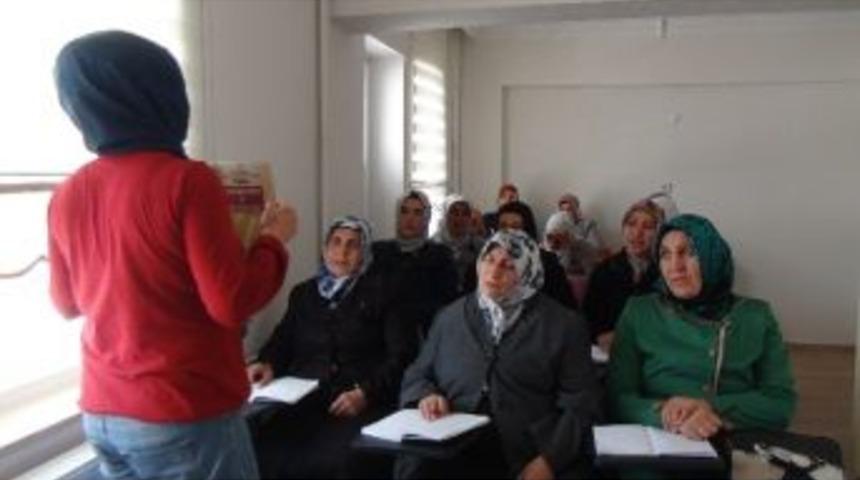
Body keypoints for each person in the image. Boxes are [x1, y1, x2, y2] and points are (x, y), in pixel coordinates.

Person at [48, 31, 297, 479]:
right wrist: (273, 240)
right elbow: (231, 302)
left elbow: (67, 304)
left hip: (102, 411)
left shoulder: (67, 193)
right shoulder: (187, 181)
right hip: (182, 410)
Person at [396, 230, 598, 479]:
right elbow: (417, 373)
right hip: (451, 441)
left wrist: (549, 460)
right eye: (489, 260)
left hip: (526, 448)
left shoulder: (564, 325)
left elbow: (581, 404)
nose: (493, 272)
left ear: (527, 272)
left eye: (508, 266)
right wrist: (427, 395)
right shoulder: (449, 317)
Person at [246, 216, 418, 478]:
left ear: (365, 253)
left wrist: (366, 393)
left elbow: (402, 356)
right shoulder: (304, 294)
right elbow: (282, 341)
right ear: (325, 249)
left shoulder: (385, 293)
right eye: (335, 242)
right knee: (267, 451)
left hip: (358, 401)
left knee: (341, 462)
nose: (342, 252)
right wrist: (266, 364)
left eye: (352, 245)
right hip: (305, 401)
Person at [608, 214, 796, 441]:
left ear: (712, 257)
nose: (675, 267)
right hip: (658, 439)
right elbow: (617, 399)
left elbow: (781, 403)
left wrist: (709, 408)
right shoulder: (640, 311)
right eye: (665, 255)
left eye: (689, 253)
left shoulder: (755, 316)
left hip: (733, 439)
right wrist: (666, 414)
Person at [371, 190, 459, 337]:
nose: (410, 219)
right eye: (404, 211)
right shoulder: (379, 252)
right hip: (381, 336)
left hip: (425, 334)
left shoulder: (440, 255)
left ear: (427, 218)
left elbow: (447, 301)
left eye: (417, 213)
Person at [583, 200, 663, 352]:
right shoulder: (603, 270)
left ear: (659, 234)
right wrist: (599, 337)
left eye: (647, 227)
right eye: (631, 224)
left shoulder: (666, 273)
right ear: (623, 228)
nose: (637, 233)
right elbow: (587, 321)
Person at [466, 201, 576, 310]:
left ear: (527, 231)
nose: (508, 232)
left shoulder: (547, 263)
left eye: (515, 227)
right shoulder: (484, 260)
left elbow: (565, 307)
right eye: (503, 226)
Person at [432, 194, 485, 294]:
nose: (460, 218)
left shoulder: (479, 246)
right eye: (455, 213)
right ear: (446, 216)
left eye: (465, 214)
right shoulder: (433, 245)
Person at [557, 193, 608, 262]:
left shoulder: (588, 224)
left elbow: (597, 249)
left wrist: (575, 240)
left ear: (576, 209)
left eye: (569, 210)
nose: (565, 214)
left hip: (586, 263)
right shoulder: (558, 227)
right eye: (562, 211)